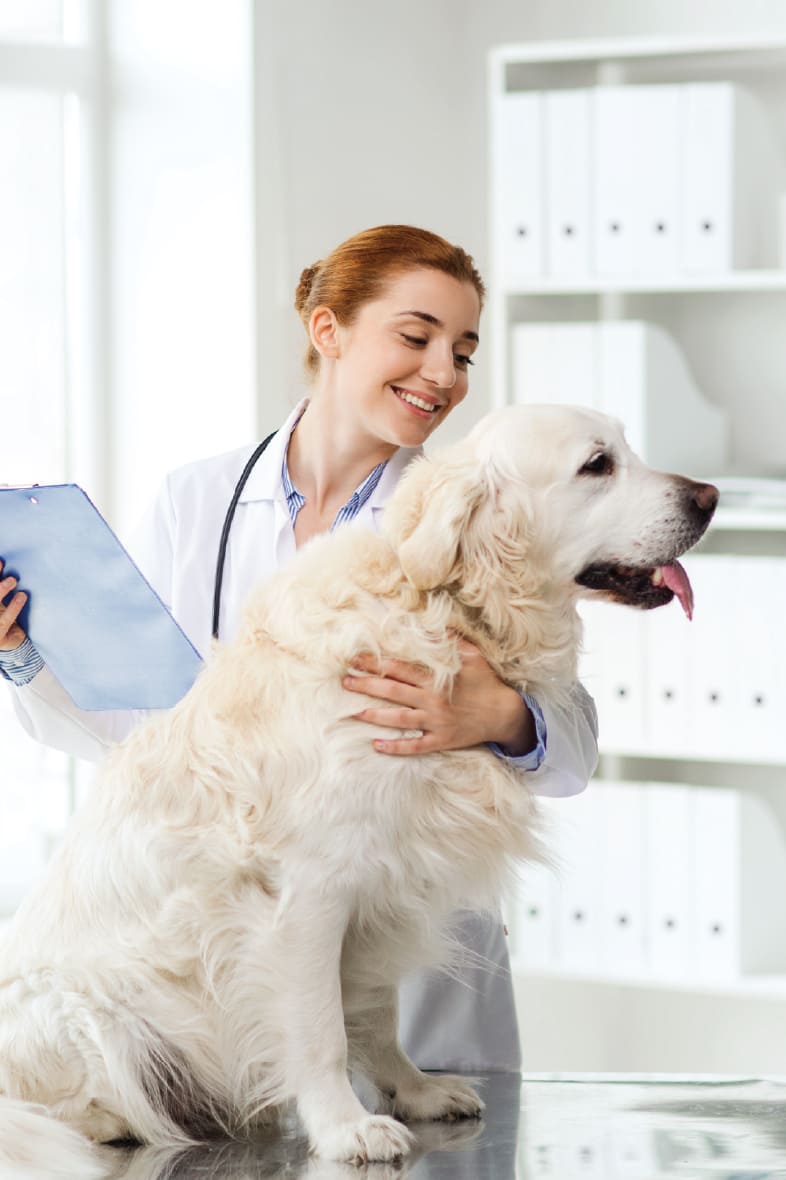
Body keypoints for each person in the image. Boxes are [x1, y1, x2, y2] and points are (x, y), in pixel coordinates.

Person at [0, 224, 598, 1072]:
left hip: (420, 968)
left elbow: (574, 749)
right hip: (245, 969)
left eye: (463, 352)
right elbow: (143, 732)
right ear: (329, 330)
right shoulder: (197, 499)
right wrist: (24, 652)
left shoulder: (476, 510)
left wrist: (502, 714)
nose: (443, 374)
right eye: (416, 336)